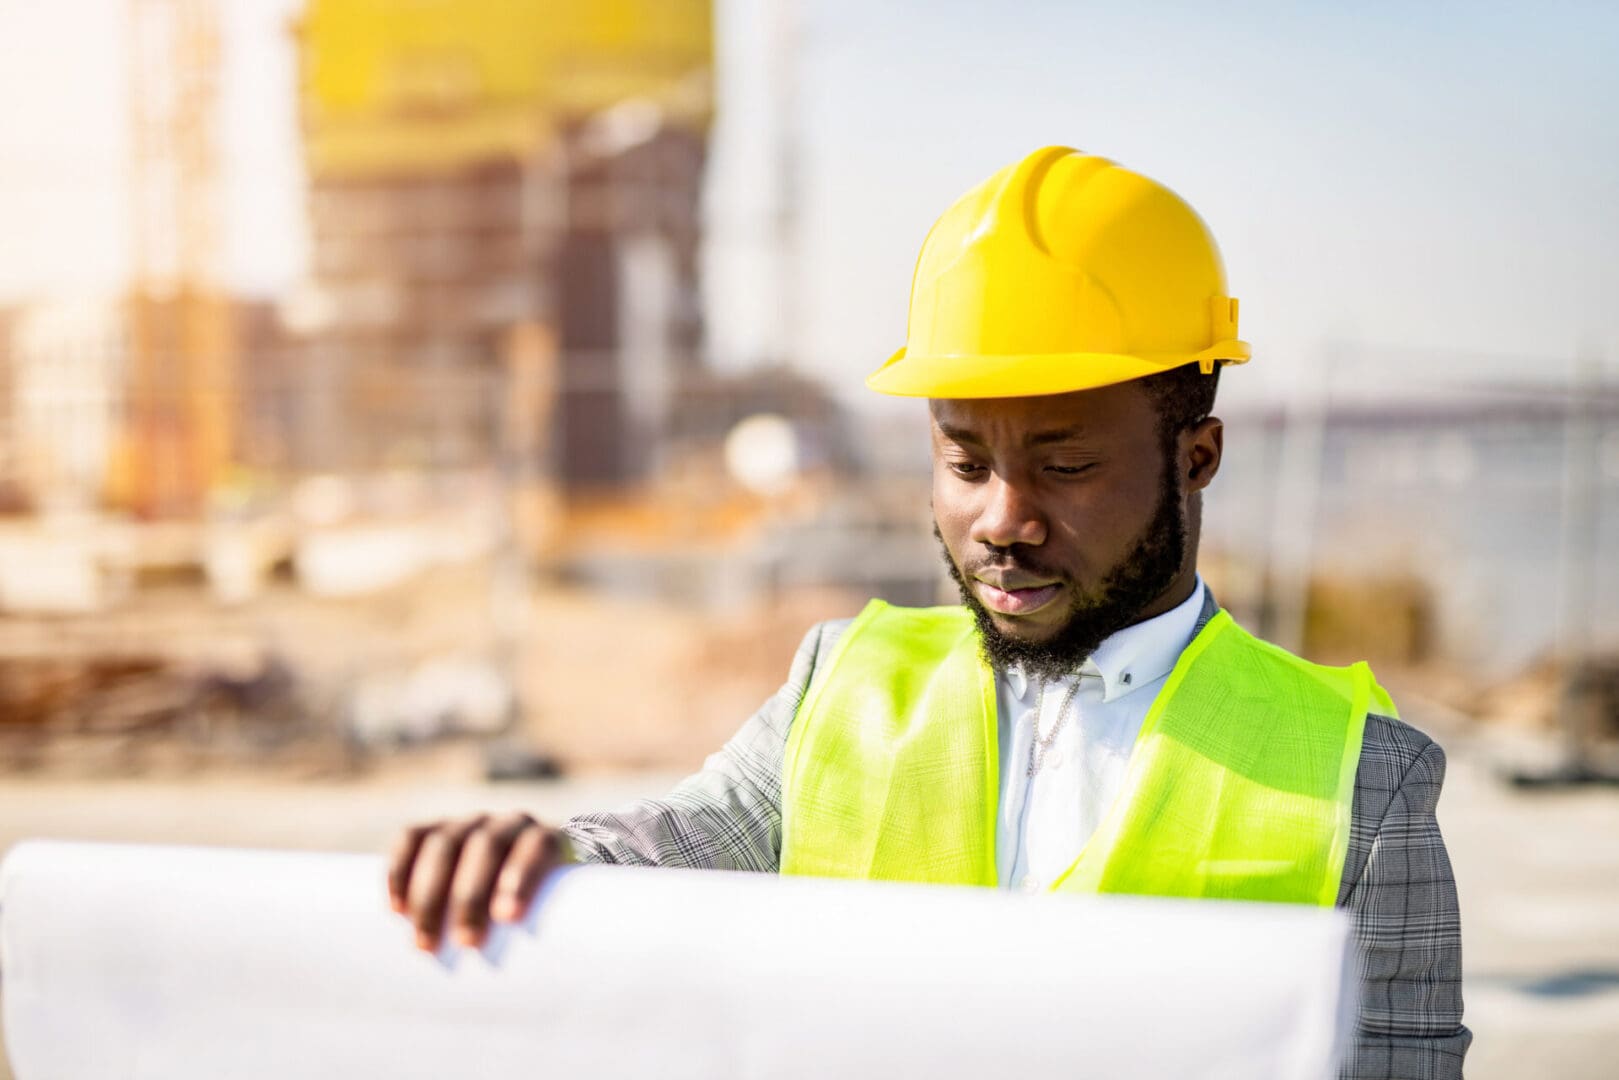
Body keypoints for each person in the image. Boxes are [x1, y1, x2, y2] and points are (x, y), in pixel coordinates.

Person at [387, 147, 1469, 1078]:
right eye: (964, 461)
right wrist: (539, 853)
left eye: (1065, 464)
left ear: (1196, 457)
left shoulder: (1359, 783)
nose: (1002, 519)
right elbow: (665, 854)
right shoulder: (840, 684)